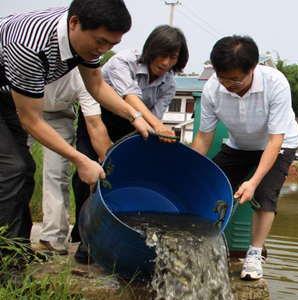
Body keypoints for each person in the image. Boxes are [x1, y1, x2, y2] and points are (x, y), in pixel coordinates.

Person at [0, 0, 151, 254]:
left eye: (112, 45)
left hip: (8, 93)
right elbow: (32, 120)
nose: (103, 50)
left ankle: (16, 250)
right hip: (13, 93)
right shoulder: (29, 45)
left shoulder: (83, 39)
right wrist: (81, 160)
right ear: (74, 23)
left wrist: (134, 115)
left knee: (24, 171)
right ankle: (6, 261)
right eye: (101, 42)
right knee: (13, 168)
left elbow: (97, 85)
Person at [71, 24, 189, 263]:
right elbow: (130, 98)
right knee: (89, 176)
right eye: (162, 55)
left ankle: (120, 235)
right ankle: (84, 238)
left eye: (173, 58)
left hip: (135, 125)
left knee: (125, 176)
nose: (166, 63)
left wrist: (156, 129)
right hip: (99, 116)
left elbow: (152, 115)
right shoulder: (123, 61)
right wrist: (157, 126)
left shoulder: (169, 83)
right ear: (150, 50)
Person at [191, 35, 298, 280]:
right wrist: (192, 172)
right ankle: (204, 245)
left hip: (278, 144)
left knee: (263, 195)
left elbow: (275, 140)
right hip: (238, 144)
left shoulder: (275, 83)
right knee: (209, 186)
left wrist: (253, 181)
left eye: (235, 80)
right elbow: (204, 137)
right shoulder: (212, 89)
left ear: (252, 69)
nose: (228, 85)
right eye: (223, 78)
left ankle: (254, 252)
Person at [30, 69, 112, 255]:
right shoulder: (30, 52)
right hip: (20, 108)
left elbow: (94, 123)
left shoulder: (83, 73)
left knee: (56, 173)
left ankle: (53, 239)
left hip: (58, 115)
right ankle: (10, 234)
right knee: (15, 171)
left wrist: (108, 161)